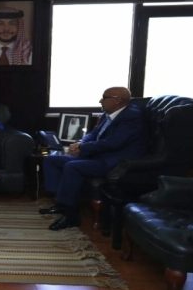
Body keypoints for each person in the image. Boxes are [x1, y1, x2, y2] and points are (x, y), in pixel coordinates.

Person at [39, 87, 147, 231]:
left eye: (104, 97)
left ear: (117, 100)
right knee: (51, 160)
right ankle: (61, 203)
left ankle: (71, 217)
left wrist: (83, 148)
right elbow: (93, 134)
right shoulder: (108, 114)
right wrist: (80, 143)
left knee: (72, 167)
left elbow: (113, 143)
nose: (100, 100)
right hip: (97, 155)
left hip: (115, 162)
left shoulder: (132, 117)